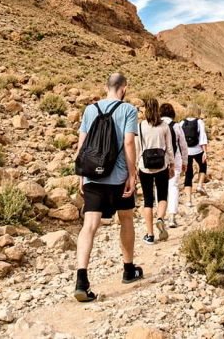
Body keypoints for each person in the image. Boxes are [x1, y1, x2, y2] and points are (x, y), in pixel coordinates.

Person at [73, 73, 143, 303]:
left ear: (106, 87)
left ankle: (81, 280)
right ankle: (128, 269)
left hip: (92, 176)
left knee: (89, 226)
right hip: (118, 178)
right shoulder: (128, 110)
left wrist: (81, 174)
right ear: (123, 88)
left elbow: (82, 143)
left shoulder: (90, 110)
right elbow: (129, 142)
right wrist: (132, 174)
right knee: (126, 219)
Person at [135, 97, 175, 244]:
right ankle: (160, 218)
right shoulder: (164, 126)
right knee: (163, 195)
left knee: (148, 201)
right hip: (162, 165)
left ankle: (150, 235)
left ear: (145, 109)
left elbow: (138, 148)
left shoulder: (140, 127)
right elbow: (169, 148)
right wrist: (172, 164)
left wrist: (135, 166)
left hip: (144, 166)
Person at [160, 103, 189, 228]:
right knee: (173, 187)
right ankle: (172, 217)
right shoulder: (176, 126)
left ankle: (160, 216)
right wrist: (185, 162)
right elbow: (183, 145)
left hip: (159, 160)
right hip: (175, 160)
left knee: (159, 187)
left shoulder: (156, 124)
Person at [181, 104, 209, 207]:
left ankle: (188, 201)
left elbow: (179, 139)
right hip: (197, 150)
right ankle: (200, 185)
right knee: (203, 166)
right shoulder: (199, 122)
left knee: (188, 174)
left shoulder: (182, 123)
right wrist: (205, 151)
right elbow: (202, 137)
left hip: (186, 152)